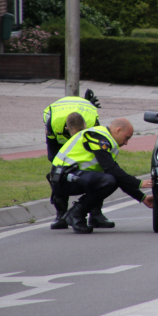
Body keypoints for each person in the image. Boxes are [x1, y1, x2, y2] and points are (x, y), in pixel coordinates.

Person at [50, 117, 154, 234]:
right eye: (126, 138)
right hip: (62, 180)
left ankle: (94, 216)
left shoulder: (106, 140)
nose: (126, 143)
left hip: (73, 176)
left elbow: (116, 174)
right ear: (118, 130)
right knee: (107, 181)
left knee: (109, 179)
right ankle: (76, 214)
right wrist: (138, 183)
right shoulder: (98, 138)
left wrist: (142, 198)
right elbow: (110, 168)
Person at [42, 91, 106, 230]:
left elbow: (97, 152)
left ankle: (96, 214)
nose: (77, 139)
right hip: (59, 126)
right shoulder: (53, 124)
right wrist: (65, 170)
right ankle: (61, 215)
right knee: (58, 172)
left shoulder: (92, 121)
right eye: (75, 135)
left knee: (96, 170)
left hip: (84, 111)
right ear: (67, 129)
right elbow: (53, 155)